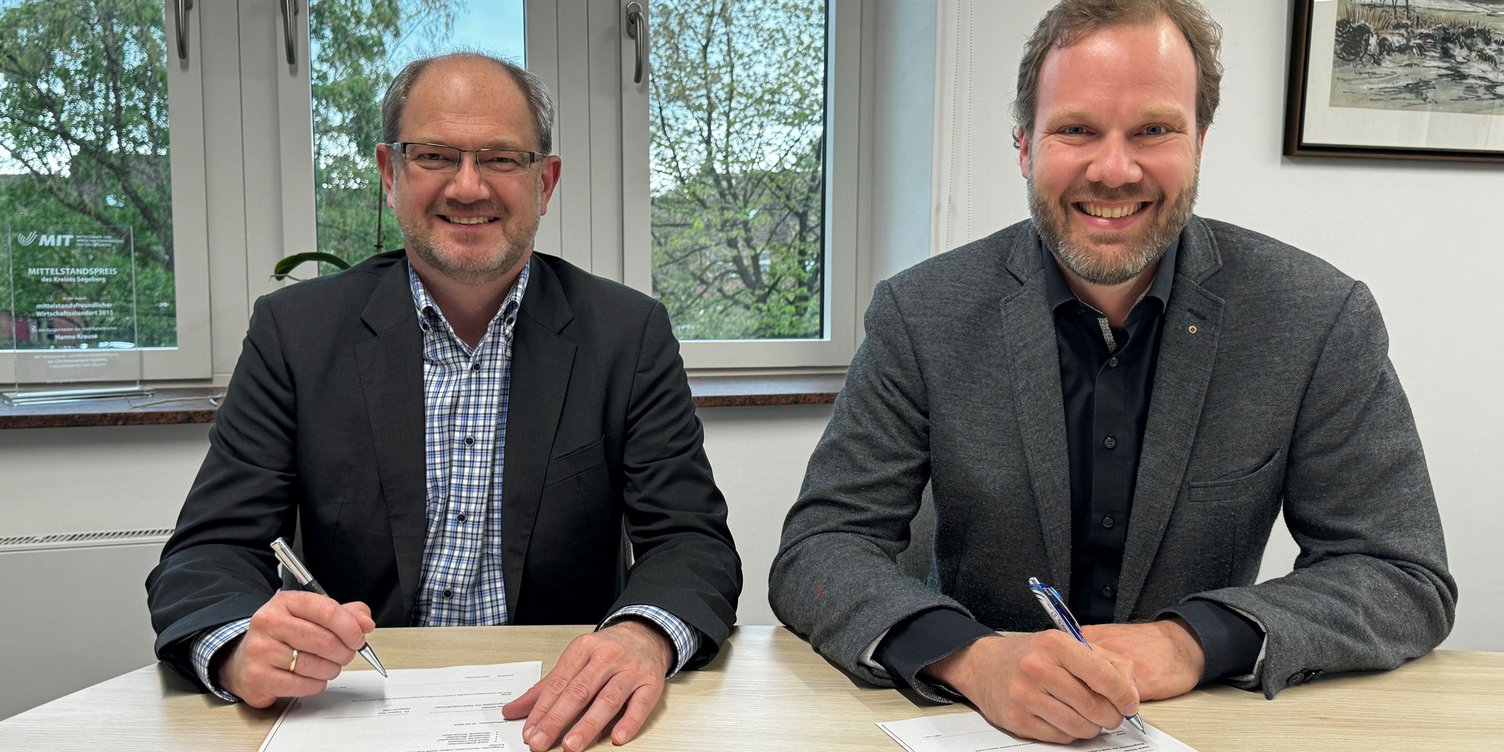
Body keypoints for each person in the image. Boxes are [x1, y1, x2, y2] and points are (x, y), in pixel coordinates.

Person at [768, 0, 1455, 744]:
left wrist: (1190, 641)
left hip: (1196, 724)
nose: (1115, 169)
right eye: (1076, 130)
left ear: (1199, 142)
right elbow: (822, 548)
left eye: (1154, 130)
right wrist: (970, 657)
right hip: (975, 723)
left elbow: (1401, 573)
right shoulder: (920, 312)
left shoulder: (1317, 317)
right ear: (1025, 145)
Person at [146, 52, 741, 752]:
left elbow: (690, 542)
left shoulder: (625, 335)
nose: (467, 186)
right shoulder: (296, 333)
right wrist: (240, 647)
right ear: (389, 173)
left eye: (500, 158)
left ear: (544, 182)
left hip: (557, 714)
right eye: (435, 155)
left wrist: (643, 635)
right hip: (355, 710)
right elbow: (210, 550)